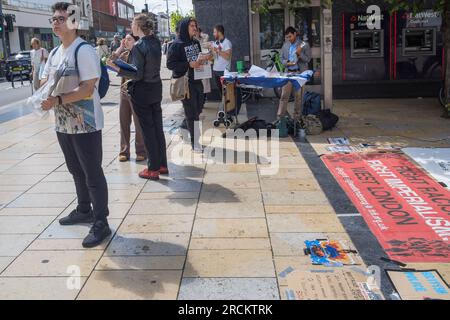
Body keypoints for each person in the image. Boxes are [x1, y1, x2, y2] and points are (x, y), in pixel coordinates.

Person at [40, 2, 111, 248]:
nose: (55, 23)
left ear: (74, 22)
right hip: (63, 122)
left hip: (86, 123)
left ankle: (101, 221)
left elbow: (87, 89)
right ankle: (84, 209)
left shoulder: (84, 51)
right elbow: (46, 79)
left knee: (92, 172)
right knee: (74, 168)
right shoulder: (54, 53)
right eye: (54, 19)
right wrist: (44, 88)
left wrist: (58, 98)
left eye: (60, 18)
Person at [107, 14, 167, 181]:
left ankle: (153, 169)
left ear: (139, 26)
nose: (131, 27)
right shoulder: (155, 41)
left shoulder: (139, 46)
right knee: (157, 128)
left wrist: (117, 69)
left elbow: (137, 74)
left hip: (142, 92)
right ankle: (162, 164)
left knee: (147, 130)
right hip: (156, 88)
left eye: (132, 24)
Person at [167, 17, 210, 152]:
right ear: (185, 27)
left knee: (198, 109)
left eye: (195, 26)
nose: (194, 28)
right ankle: (195, 144)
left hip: (198, 81)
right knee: (192, 114)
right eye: (192, 25)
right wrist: (188, 64)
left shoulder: (196, 43)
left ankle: (184, 127)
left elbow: (198, 60)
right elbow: (170, 64)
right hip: (185, 84)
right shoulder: (176, 44)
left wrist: (205, 58)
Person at [110, 34, 146, 163]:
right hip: (124, 93)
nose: (126, 41)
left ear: (136, 41)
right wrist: (120, 47)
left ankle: (141, 151)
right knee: (124, 122)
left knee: (138, 124)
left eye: (129, 39)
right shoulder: (124, 55)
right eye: (125, 39)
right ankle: (124, 151)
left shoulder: (140, 55)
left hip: (137, 93)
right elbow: (110, 61)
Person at [277, 26, 311, 119]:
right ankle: (280, 118)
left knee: (298, 98)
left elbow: (308, 59)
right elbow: (281, 58)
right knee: (284, 96)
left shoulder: (304, 44)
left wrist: (300, 53)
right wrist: (286, 62)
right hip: (288, 73)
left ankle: (297, 118)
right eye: (287, 37)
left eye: (290, 36)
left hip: (299, 74)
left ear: (295, 34)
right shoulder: (285, 45)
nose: (289, 39)